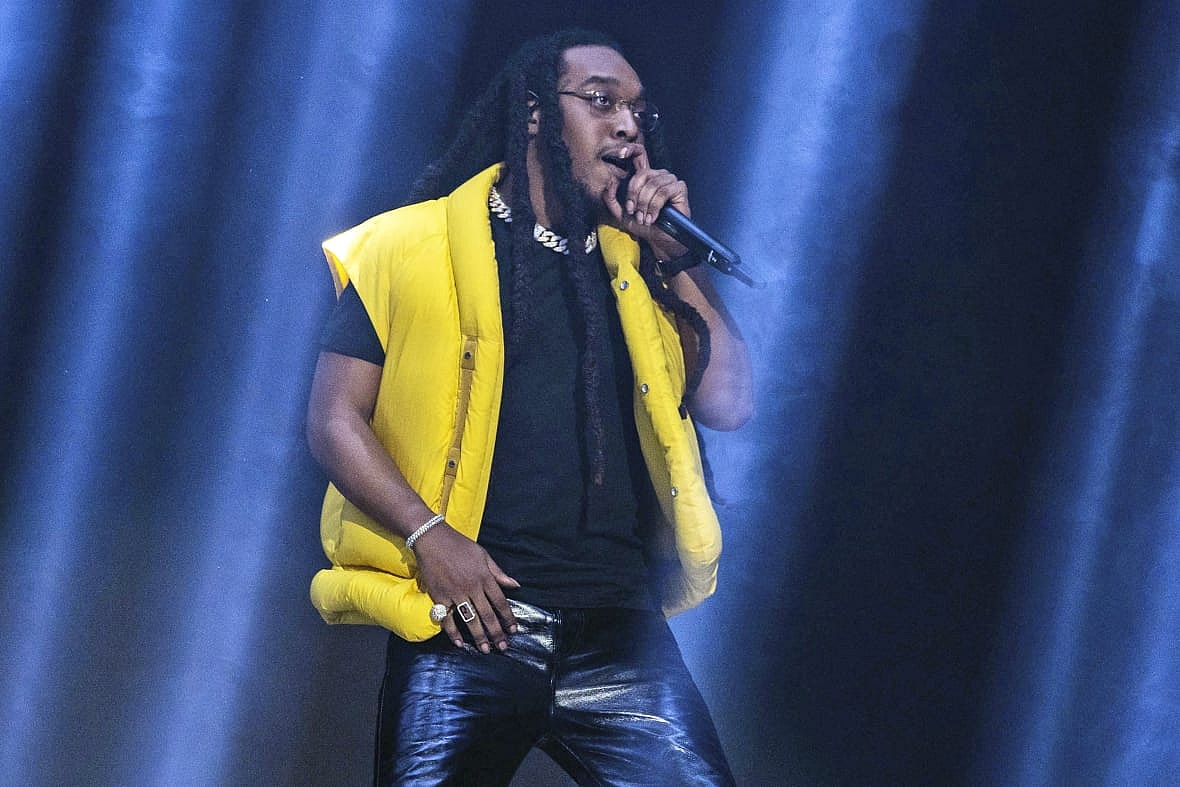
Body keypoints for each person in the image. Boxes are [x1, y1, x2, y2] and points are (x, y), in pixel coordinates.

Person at [306, 28, 752, 786]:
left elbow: (730, 402)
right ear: (537, 111)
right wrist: (430, 536)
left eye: (637, 112)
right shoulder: (413, 245)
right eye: (602, 101)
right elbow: (334, 419)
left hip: (620, 632)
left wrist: (674, 257)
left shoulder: (639, 268)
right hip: (472, 622)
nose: (627, 125)